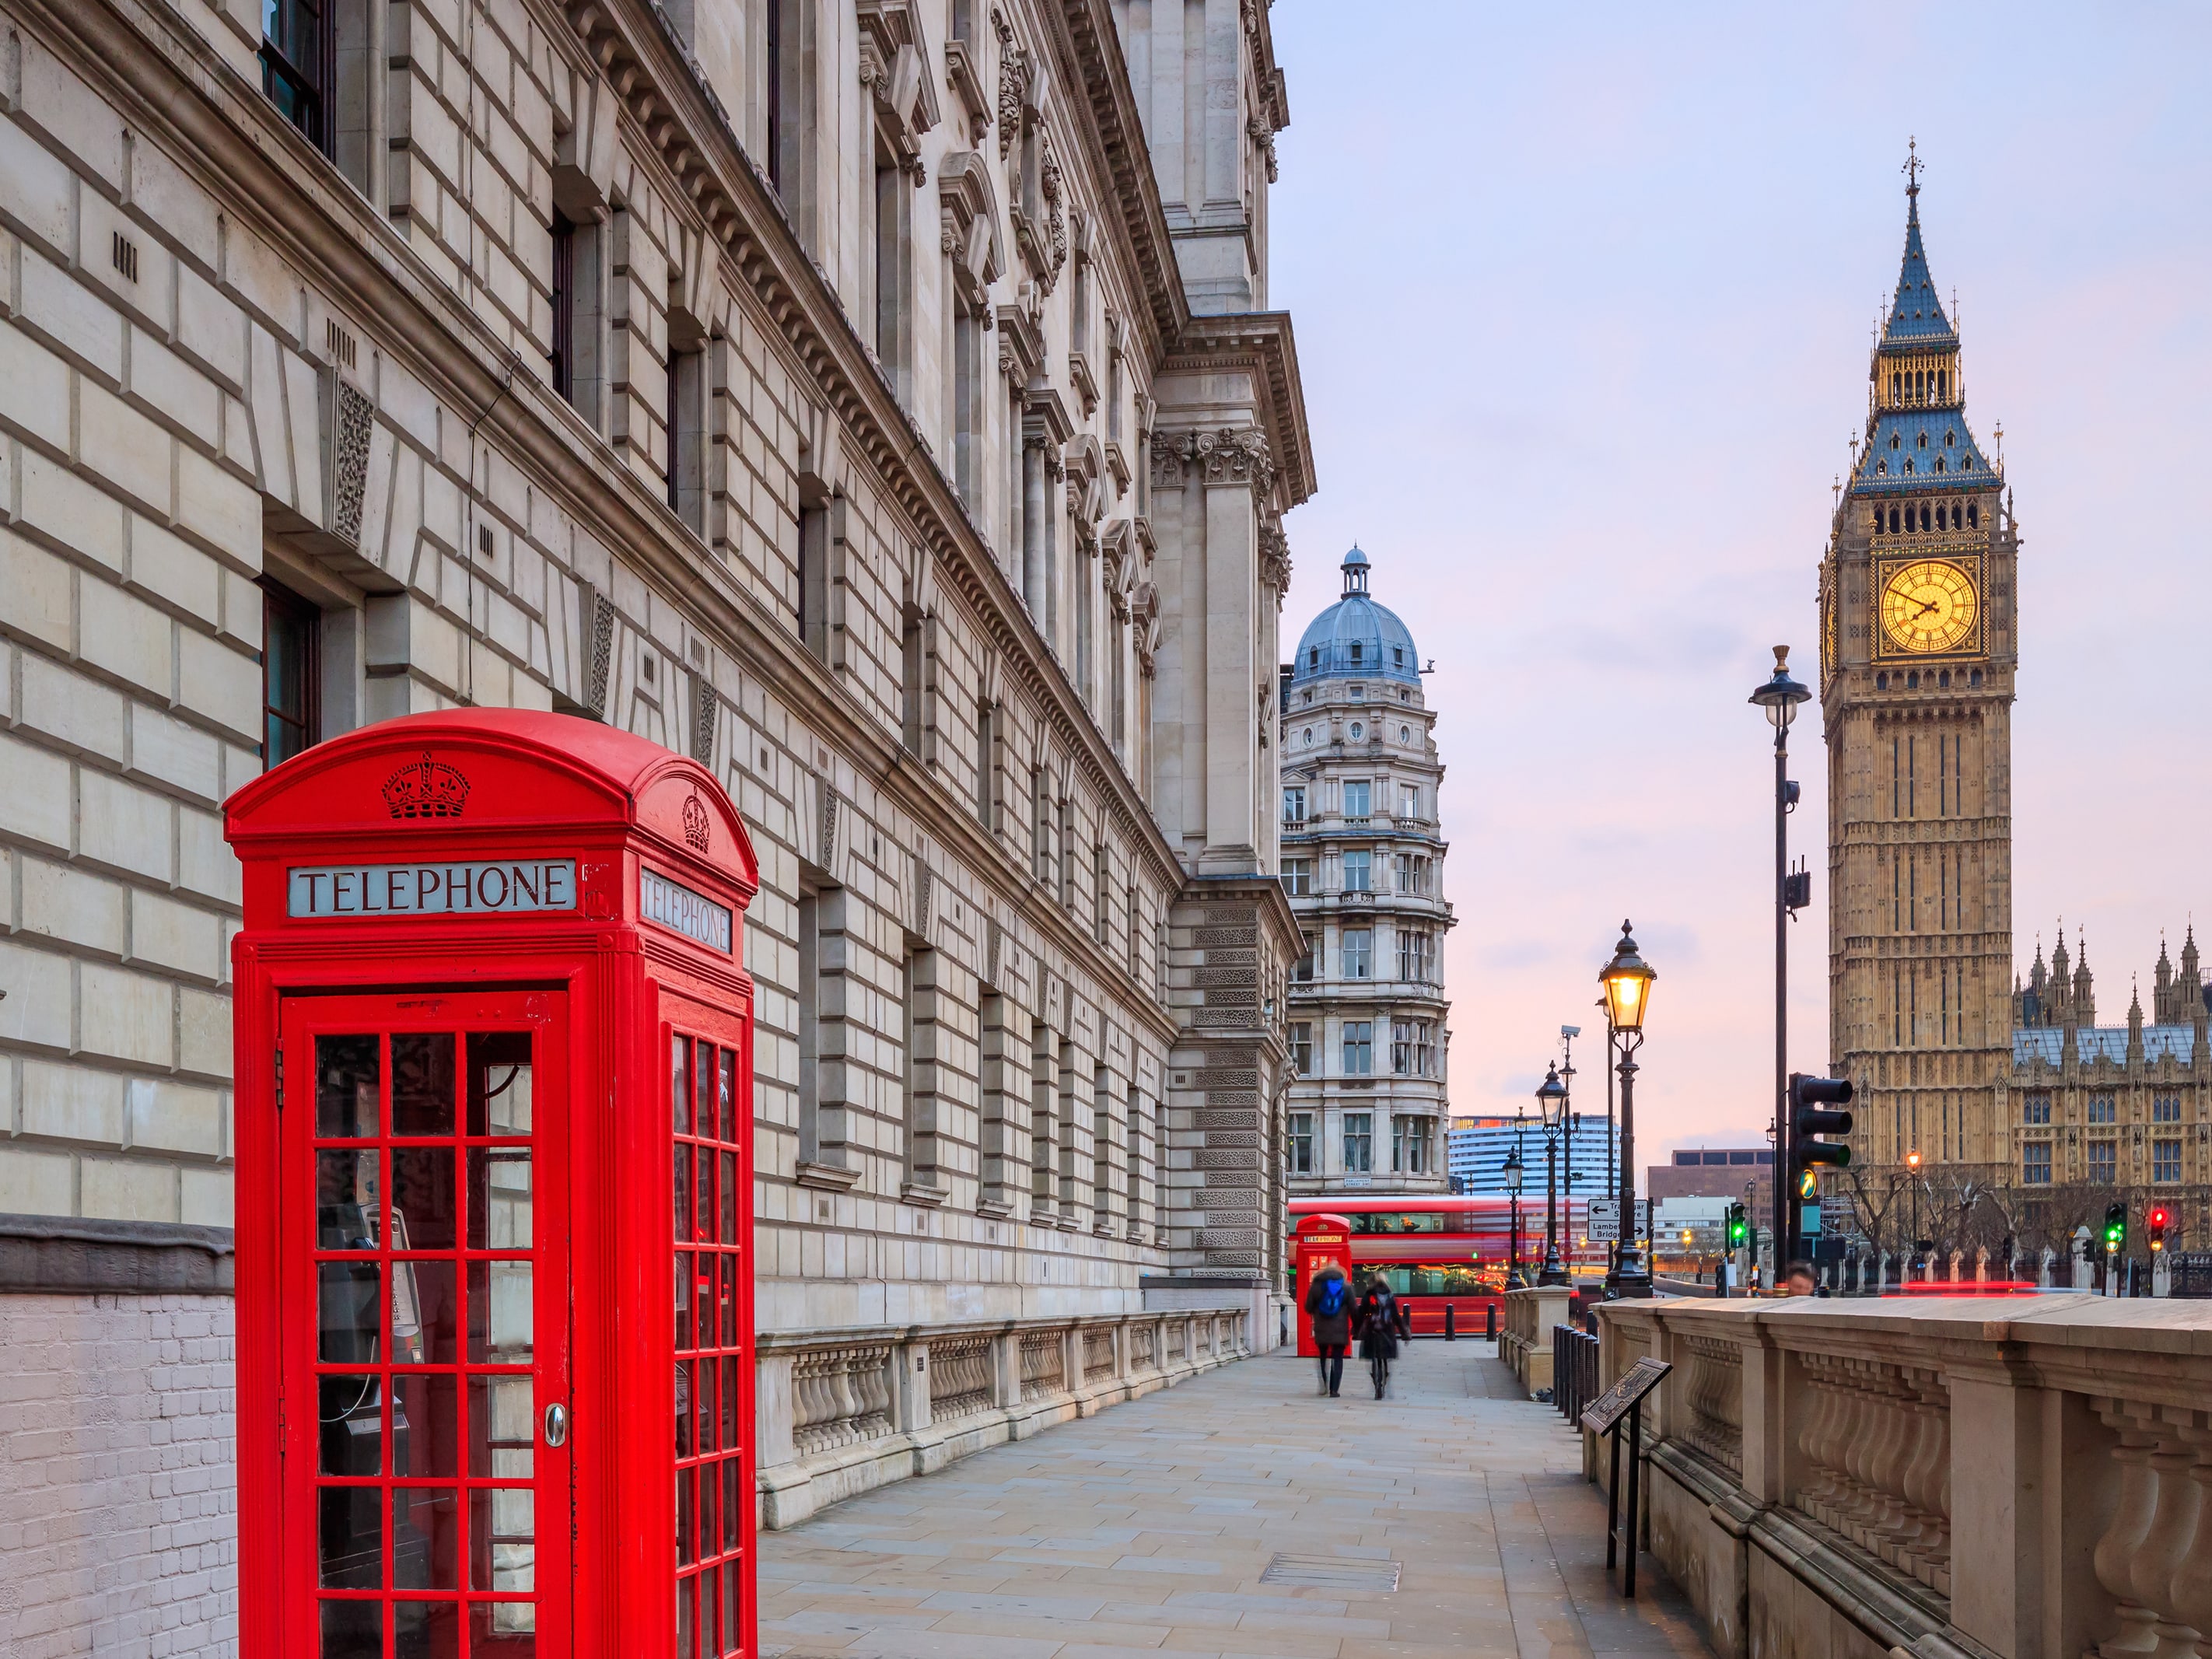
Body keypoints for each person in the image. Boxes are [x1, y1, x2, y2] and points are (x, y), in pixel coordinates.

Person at [1304, 1259, 1352, 1397]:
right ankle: (1334, 1390)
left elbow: (1308, 1307)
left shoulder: (1316, 1286)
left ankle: (1324, 1384)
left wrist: (1317, 1313)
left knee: (1323, 1357)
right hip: (1340, 1330)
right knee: (1337, 1358)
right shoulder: (1346, 1287)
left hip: (1321, 1328)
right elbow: (1354, 1309)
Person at [1353, 1276, 1406, 1398]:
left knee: (1373, 1357)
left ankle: (1376, 1383)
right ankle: (1385, 1378)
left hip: (1372, 1330)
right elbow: (1396, 1315)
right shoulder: (1389, 1296)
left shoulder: (1368, 1295)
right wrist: (1404, 1332)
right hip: (1387, 1330)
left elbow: (1361, 1314)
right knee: (1385, 1358)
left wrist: (1356, 1330)